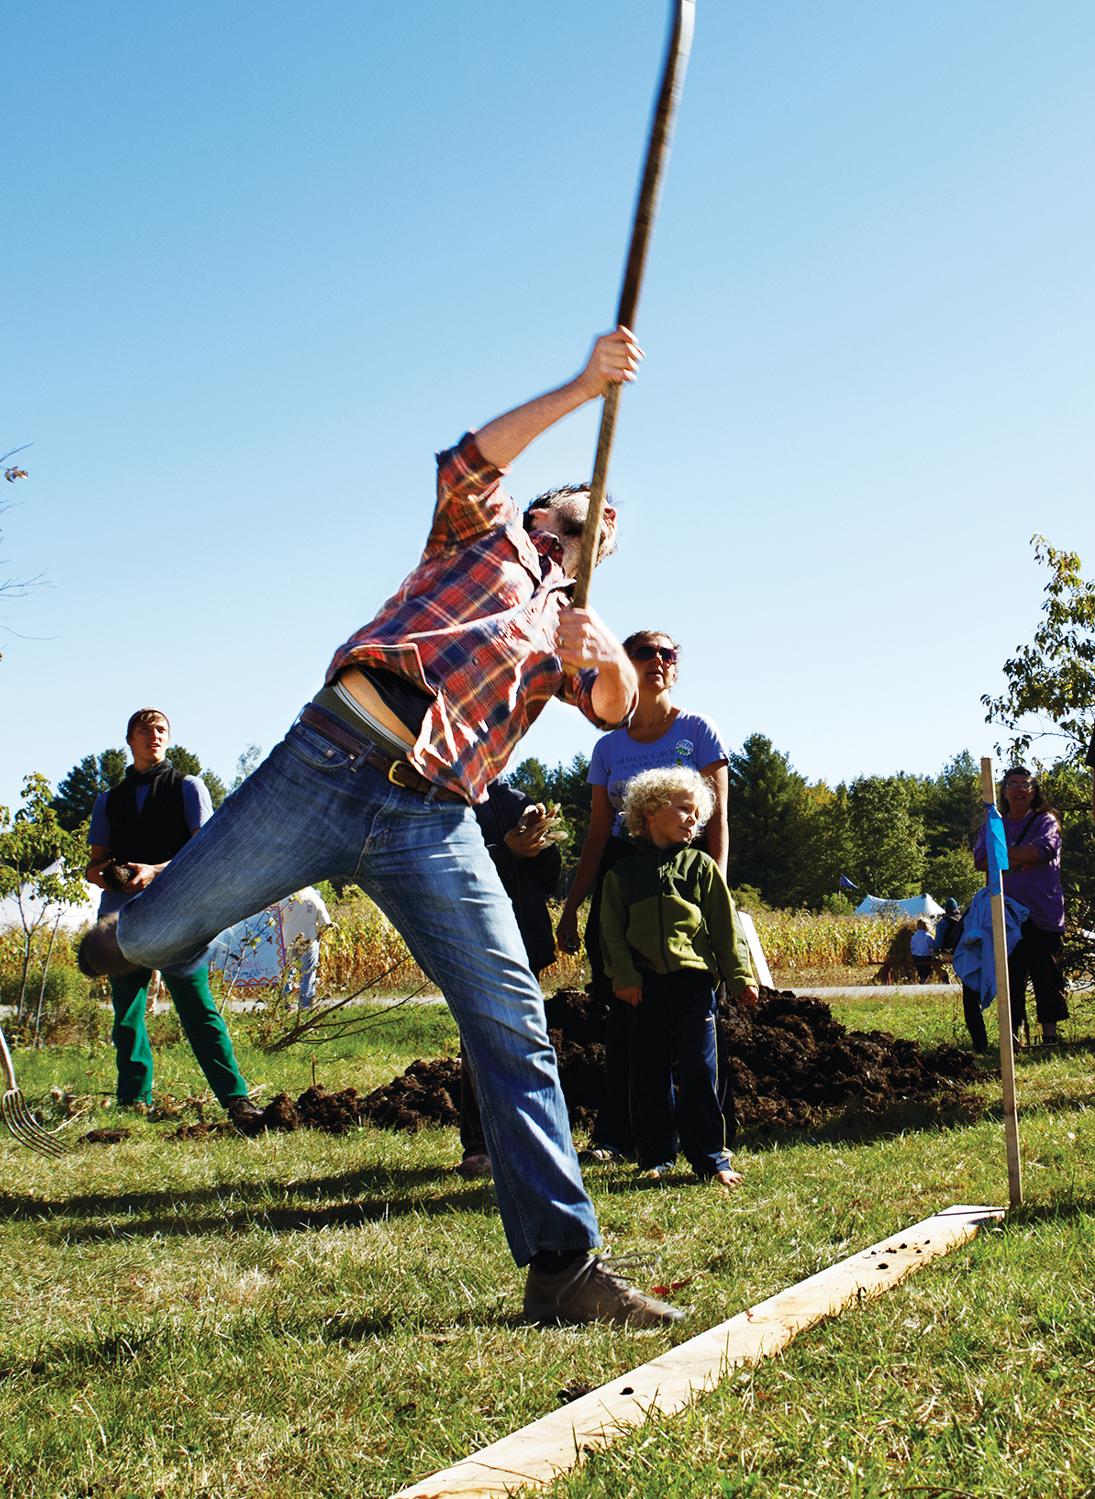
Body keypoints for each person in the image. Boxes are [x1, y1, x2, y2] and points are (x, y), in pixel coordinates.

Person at [81, 327, 685, 1328]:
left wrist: (604, 649)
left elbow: (617, 708)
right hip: (325, 765)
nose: (608, 523)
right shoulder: (482, 538)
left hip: (434, 821)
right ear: (548, 512)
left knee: (511, 1022)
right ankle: (126, 937)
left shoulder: (576, 627)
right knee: (152, 936)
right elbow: (470, 460)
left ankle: (563, 1269)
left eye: (614, 529)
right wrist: (586, 385)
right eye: (591, 513)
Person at [557, 629, 729, 1162]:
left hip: (685, 881)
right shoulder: (608, 746)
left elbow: (717, 817)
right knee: (625, 1017)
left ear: (675, 668)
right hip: (622, 883)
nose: (657, 660)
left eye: (667, 654)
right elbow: (595, 832)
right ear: (625, 666)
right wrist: (571, 906)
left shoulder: (698, 731)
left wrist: (712, 886)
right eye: (644, 653)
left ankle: (708, 1141)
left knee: (697, 1018)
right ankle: (621, 1137)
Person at [85, 708, 261, 1129]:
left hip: (177, 916)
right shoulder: (109, 800)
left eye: (161, 730)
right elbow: (92, 867)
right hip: (120, 919)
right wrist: (109, 874)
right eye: (145, 730)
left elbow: (208, 850)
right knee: (126, 1014)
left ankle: (236, 1100)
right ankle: (132, 1100)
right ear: (129, 740)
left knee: (197, 1009)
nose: (154, 736)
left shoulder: (187, 787)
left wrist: (153, 871)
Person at [600, 766, 758, 1185]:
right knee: (647, 1074)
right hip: (643, 988)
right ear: (650, 811)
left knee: (701, 1073)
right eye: (684, 809)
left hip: (693, 986)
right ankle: (655, 1158)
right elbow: (611, 933)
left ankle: (711, 1160)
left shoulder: (700, 867)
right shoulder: (623, 874)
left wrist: (741, 977)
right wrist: (625, 975)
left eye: (697, 812)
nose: (693, 819)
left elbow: (726, 928)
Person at [456, 778, 563, 1177]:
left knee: (528, 1040)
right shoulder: (449, 799)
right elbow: (451, 866)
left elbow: (548, 878)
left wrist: (539, 840)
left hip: (524, 938)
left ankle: (529, 1139)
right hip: (473, 936)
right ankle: (480, 1145)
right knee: (478, 1042)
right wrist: (506, 851)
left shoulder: (517, 800)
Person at [972, 766, 1066, 1047]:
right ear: (1003, 792)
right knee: (1009, 977)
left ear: (1034, 791)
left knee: (1046, 976)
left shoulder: (1044, 821)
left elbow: (1042, 851)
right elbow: (980, 861)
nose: (1019, 789)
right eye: (1013, 784)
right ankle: (1012, 1038)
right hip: (1007, 915)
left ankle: (1050, 1036)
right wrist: (1018, 857)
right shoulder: (993, 824)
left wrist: (1000, 853)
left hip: (1043, 913)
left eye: (1026, 784)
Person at [279, 886, 334, 1007]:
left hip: (287, 941)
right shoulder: (315, 901)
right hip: (309, 941)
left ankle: (284, 1005)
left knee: (287, 974)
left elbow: (278, 920)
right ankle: (305, 1006)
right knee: (308, 974)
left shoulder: (285, 901)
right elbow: (326, 923)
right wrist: (320, 934)